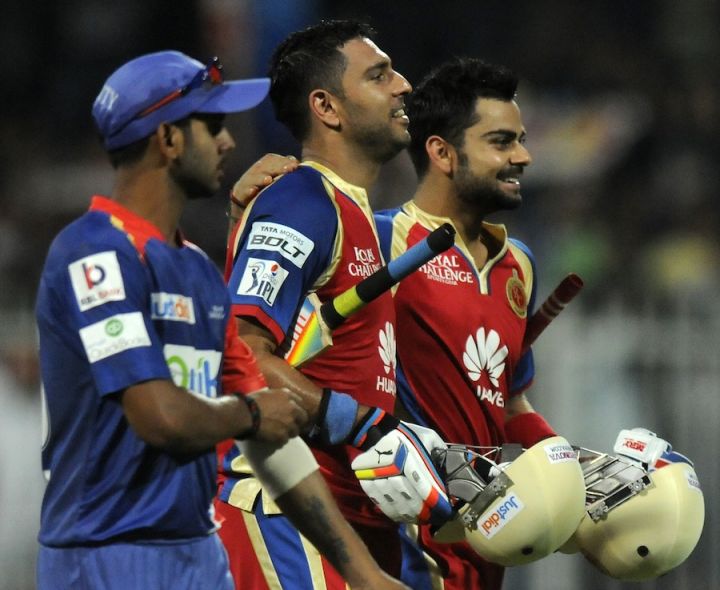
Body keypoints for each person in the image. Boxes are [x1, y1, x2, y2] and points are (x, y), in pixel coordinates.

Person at [35, 50, 407, 590]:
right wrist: (252, 414)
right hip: (104, 554)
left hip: (197, 550)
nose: (228, 141)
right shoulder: (94, 254)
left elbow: (271, 433)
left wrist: (362, 572)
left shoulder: (197, 272)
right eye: (211, 126)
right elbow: (159, 415)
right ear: (168, 139)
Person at [217, 19, 450, 589]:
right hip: (282, 512)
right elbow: (242, 355)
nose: (403, 86)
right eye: (379, 75)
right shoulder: (302, 201)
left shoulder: (354, 214)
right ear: (326, 107)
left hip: (344, 516)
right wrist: (354, 421)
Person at [375, 57, 560, 590]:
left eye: (521, 140)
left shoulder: (519, 263)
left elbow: (510, 401)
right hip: (404, 541)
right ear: (442, 152)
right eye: (501, 142)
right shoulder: (380, 242)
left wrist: (569, 466)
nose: (523, 157)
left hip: (487, 539)